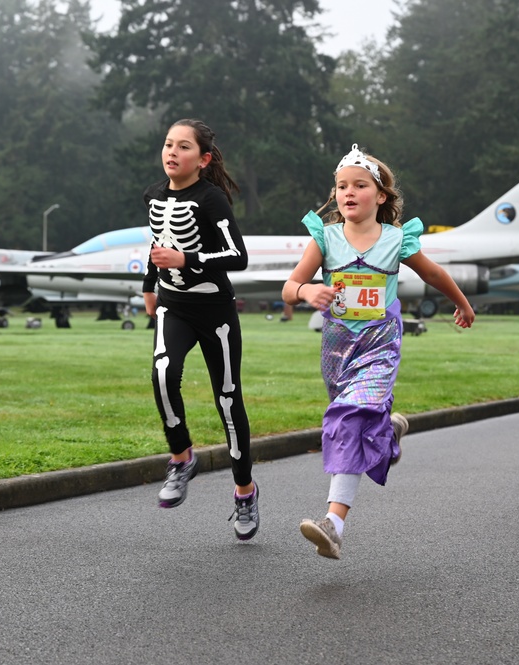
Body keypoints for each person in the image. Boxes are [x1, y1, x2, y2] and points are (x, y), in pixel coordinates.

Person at [282, 144, 475, 559]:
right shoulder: (325, 237)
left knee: (347, 420)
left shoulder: (395, 239)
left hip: (379, 344)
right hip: (337, 348)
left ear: (381, 195)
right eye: (341, 186)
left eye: (359, 185)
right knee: (354, 416)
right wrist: (307, 288)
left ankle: (333, 524)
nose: (348, 193)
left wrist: (461, 302)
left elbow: (434, 273)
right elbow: (289, 287)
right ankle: (388, 432)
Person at [141, 119, 259, 541]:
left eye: (184, 146)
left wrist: (186, 258)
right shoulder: (153, 195)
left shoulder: (211, 199)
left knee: (228, 402)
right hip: (173, 307)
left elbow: (236, 256)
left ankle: (244, 491)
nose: (172, 152)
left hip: (215, 312)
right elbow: (156, 247)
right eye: (169, 144)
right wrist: (148, 287)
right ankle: (181, 457)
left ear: (203, 159)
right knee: (161, 373)